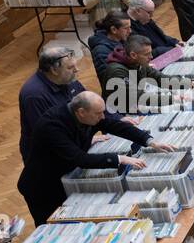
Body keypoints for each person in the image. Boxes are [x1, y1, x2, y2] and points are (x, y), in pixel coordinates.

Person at [17, 92, 170, 225]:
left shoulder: (89, 115)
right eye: (99, 113)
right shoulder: (51, 126)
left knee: (75, 219)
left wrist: (149, 141)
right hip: (43, 187)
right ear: (82, 112)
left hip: (65, 176)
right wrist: (119, 159)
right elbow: (80, 159)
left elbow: (117, 126)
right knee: (51, 225)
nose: (102, 117)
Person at [18, 46, 84, 160]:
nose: (77, 70)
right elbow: (47, 134)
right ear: (54, 70)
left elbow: (88, 102)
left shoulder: (67, 80)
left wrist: (117, 120)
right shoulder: (34, 95)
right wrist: (84, 140)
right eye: (70, 67)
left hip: (69, 143)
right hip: (46, 158)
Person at [98, 34, 177, 114]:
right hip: (120, 116)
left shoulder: (138, 62)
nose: (151, 56)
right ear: (133, 55)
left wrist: (188, 82)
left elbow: (160, 78)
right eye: (147, 54)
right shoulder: (116, 71)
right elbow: (139, 97)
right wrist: (174, 99)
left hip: (134, 108)